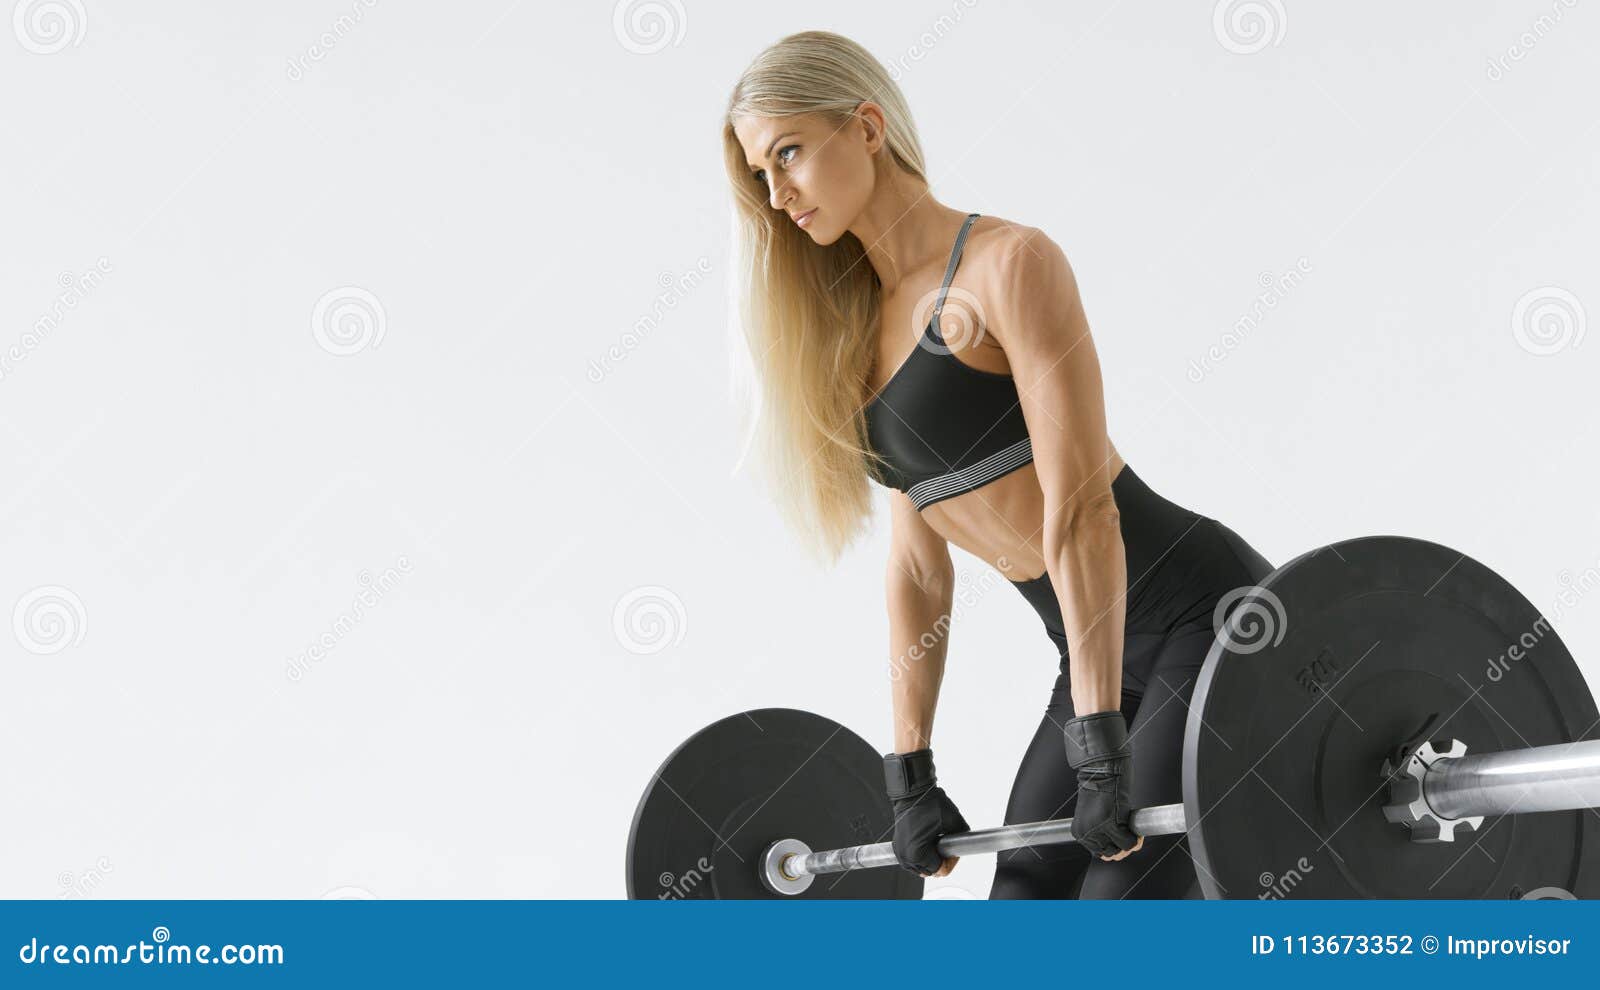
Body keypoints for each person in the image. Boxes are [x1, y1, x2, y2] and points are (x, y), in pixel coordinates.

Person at [723, 30, 1272, 898]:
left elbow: (1083, 510)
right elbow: (916, 569)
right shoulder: (854, 341)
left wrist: (1098, 743)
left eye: (787, 152)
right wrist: (910, 770)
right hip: (1092, 650)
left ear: (867, 127)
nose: (776, 192)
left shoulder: (1007, 265)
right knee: (1017, 912)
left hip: (1208, 619)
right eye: (760, 174)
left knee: (1116, 914)